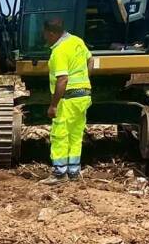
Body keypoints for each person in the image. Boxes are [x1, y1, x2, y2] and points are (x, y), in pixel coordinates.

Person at [41, 18, 93, 184]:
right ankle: (73, 172)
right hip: (84, 96)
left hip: (68, 99)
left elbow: (62, 79)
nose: (45, 38)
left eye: (45, 35)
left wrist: (53, 105)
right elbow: (90, 60)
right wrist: (85, 79)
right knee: (76, 134)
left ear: (51, 33)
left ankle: (59, 173)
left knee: (60, 134)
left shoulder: (59, 51)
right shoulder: (77, 41)